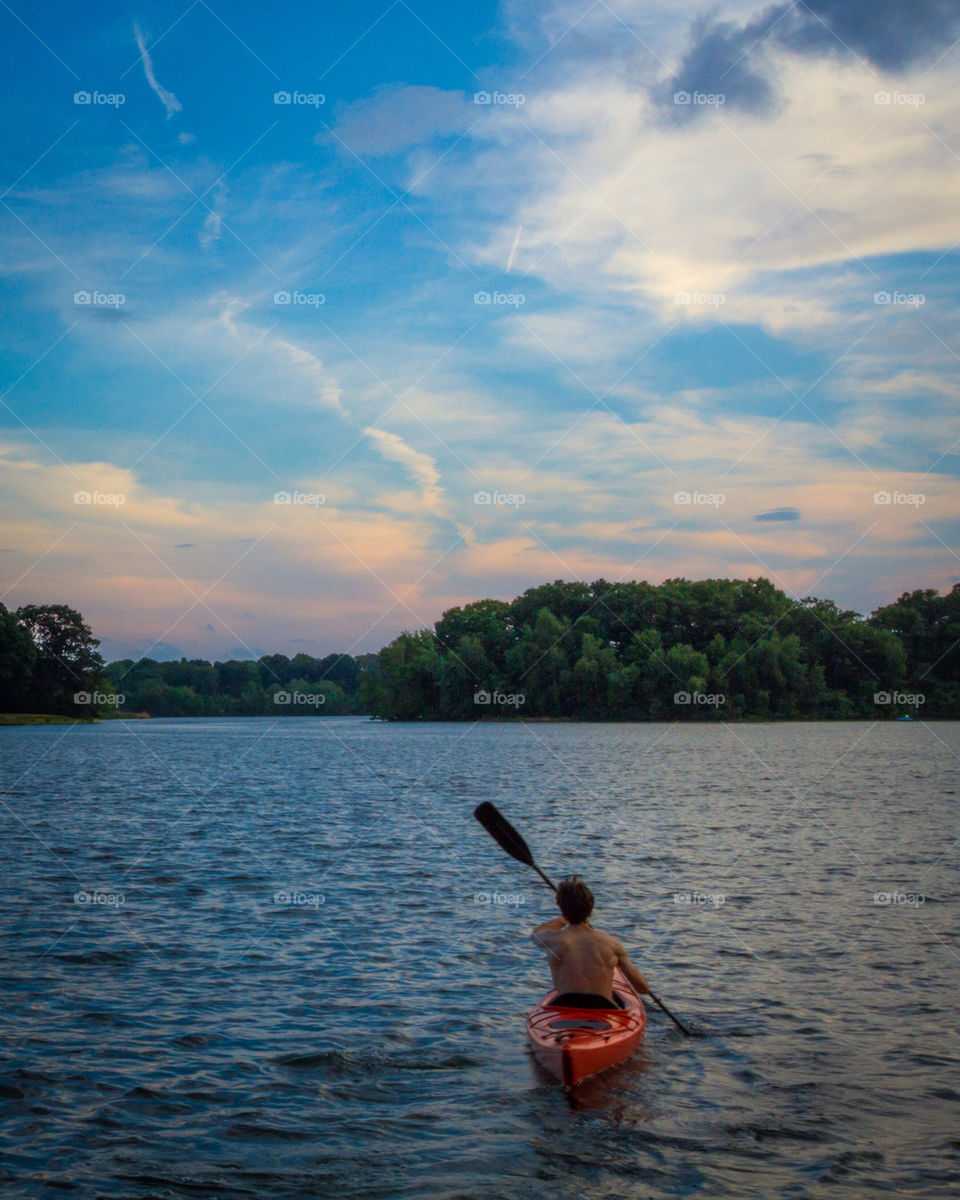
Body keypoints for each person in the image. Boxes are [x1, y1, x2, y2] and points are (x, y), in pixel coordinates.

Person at [531, 875, 650, 1009]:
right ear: (591, 908)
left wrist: (564, 918)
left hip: (566, 1008)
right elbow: (643, 988)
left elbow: (536, 933)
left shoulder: (553, 939)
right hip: (604, 1011)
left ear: (561, 908)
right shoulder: (612, 944)